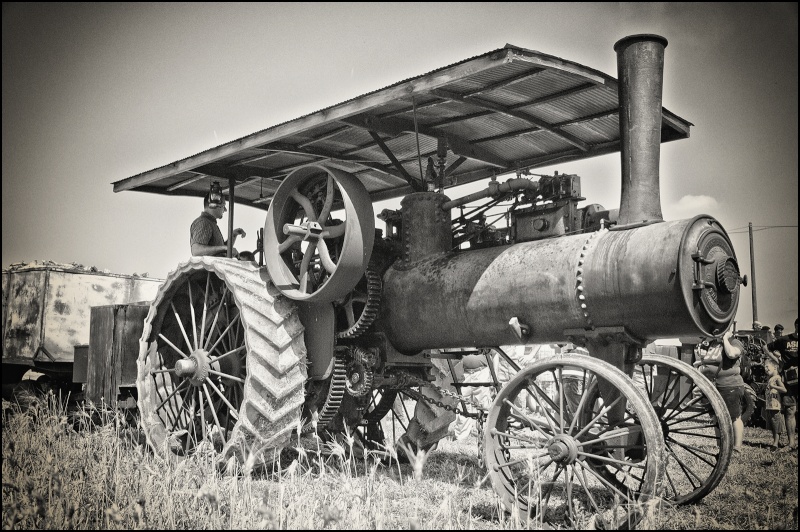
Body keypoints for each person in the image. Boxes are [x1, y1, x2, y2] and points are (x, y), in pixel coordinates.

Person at [695, 328, 746, 453]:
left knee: (734, 416)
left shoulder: (734, 342)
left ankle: (737, 447)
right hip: (712, 386)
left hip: (729, 385)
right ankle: (721, 446)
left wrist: (725, 339)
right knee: (716, 416)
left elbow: (732, 354)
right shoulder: (712, 343)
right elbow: (704, 360)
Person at [768, 318, 798, 450]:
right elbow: (766, 347)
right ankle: (791, 444)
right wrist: (778, 361)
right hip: (790, 380)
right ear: (796, 326)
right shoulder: (785, 340)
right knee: (790, 410)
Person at [190, 190, 246, 257]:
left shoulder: (210, 223)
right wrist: (224, 248)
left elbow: (220, 251)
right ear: (213, 205)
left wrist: (233, 235)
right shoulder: (204, 222)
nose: (225, 209)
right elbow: (196, 251)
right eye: (223, 205)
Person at [763, 358, 787, 450]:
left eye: (767, 366)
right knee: (772, 425)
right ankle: (775, 442)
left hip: (776, 406)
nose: (766, 369)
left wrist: (773, 386)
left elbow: (784, 389)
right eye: (764, 367)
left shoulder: (777, 378)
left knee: (776, 425)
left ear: (775, 367)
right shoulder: (770, 378)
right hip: (770, 406)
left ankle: (775, 444)